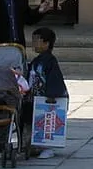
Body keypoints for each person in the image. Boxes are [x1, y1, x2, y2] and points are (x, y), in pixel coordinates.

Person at [24, 27, 69, 160]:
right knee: (32, 120)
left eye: (36, 40)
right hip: (34, 98)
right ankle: (33, 144)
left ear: (46, 43)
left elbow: (54, 79)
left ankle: (47, 147)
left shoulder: (50, 61)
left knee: (47, 123)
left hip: (46, 97)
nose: (33, 43)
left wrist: (52, 94)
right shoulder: (36, 61)